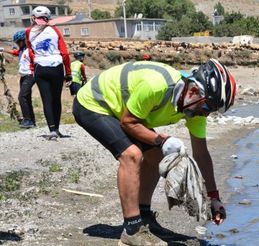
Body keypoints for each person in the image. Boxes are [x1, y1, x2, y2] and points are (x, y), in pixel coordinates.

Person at [73, 59, 236, 245]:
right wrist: (161, 140)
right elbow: (128, 122)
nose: (206, 114)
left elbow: (201, 154)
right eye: (207, 108)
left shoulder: (195, 107)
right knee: (132, 155)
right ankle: (132, 230)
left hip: (124, 112)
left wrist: (214, 198)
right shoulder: (157, 85)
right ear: (193, 91)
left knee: (156, 156)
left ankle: (144, 217)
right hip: (93, 104)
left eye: (211, 111)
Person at [25, 6, 72, 140]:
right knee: (56, 99)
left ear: (33, 17)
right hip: (56, 66)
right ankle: (57, 130)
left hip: (40, 67)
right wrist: (68, 72)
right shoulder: (55, 30)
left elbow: (30, 52)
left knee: (46, 100)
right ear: (48, 18)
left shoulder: (28, 31)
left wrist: (33, 69)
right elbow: (65, 53)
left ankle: (51, 131)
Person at [2, 31, 36, 128]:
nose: (18, 44)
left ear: (24, 40)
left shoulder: (30, 50)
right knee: (27, 98)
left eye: (19, 42)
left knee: (22, 97)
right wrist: (2, 49)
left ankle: (28, 120)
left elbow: (35, 62)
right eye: (17, 42)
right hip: (23, 76)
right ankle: (32, 120)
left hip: (30, 75)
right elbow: (14, 52)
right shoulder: (22, 50)